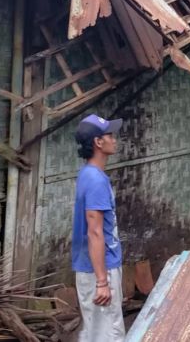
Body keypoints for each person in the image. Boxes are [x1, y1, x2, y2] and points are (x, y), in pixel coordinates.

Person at [71, 114, 126, 342]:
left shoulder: (89, 174)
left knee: (96, 333)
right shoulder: (95, 180)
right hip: (100, 271)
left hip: (95, 267)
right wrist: (102, 282)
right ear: (98, 142)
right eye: (109, 135)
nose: (115, 140)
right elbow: (94, 232)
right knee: (108, 335)